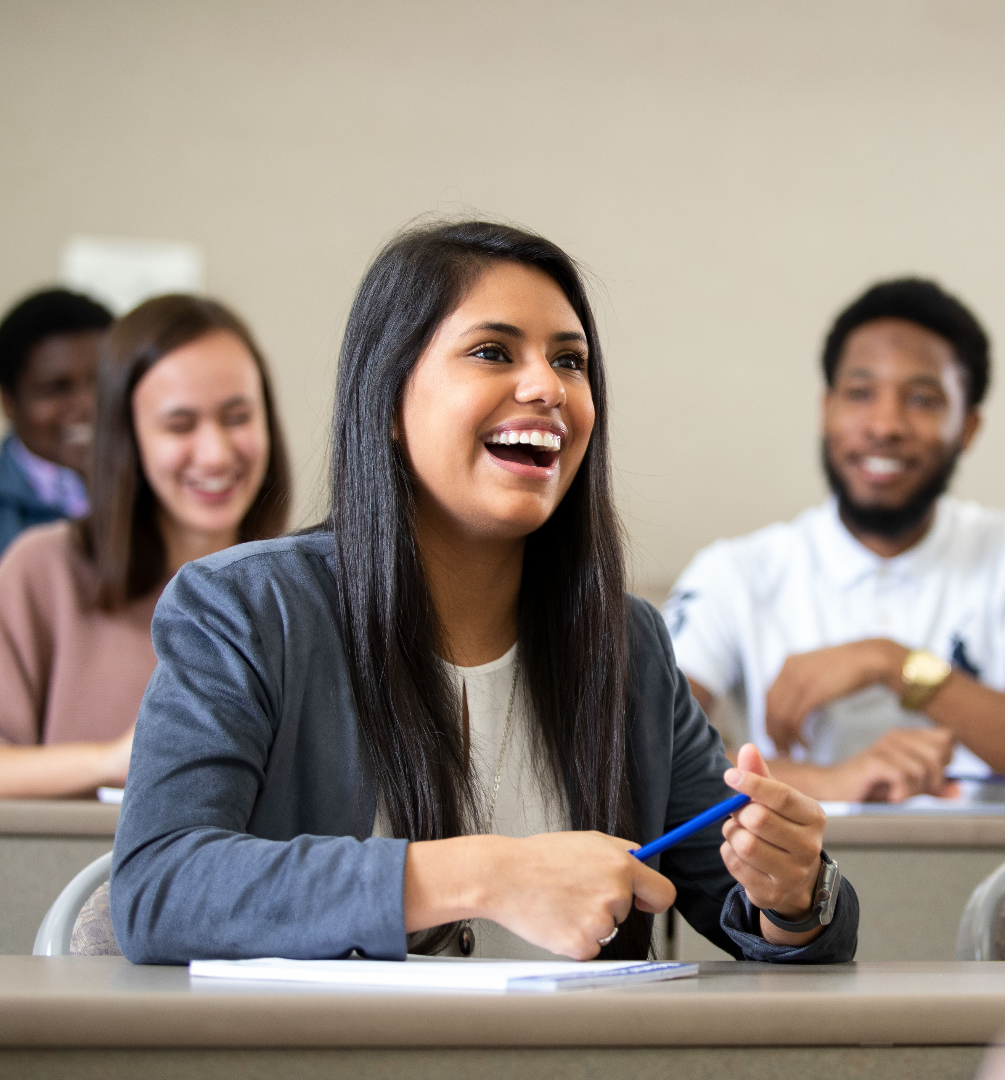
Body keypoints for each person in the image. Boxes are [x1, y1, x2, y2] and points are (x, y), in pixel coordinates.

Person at [111, 221, 857, 966]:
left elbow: (757, 913)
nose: (548, 388)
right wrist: (489, 874)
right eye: (493, 352)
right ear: (387, 400)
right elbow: (161, 887)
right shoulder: (246, 608)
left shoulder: (626, 643)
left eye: (571, 361)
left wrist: (791, 896)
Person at [0, 295, 290, 798]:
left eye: (237, 417)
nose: (215, 453)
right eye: (179, 425)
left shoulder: (302, 587)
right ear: (127, 437)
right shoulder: (45, 567)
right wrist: (113, 760)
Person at [664, 277, 1005, 803]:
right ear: (826, 408)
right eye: (860, 393)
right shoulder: (737, 572)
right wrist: (830, 784)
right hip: (791, 876)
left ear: (969, 427)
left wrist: (892, 663)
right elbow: (642, 751)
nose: (885, 425)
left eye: (921, 399)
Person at [0, 288, 114, 695]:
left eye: (101, 382)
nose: (86, 404)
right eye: (56, 387)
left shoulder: (162, 499)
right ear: (8, 402)